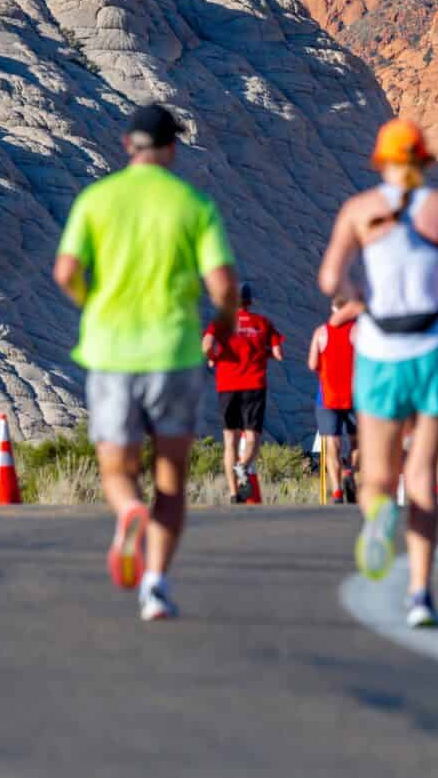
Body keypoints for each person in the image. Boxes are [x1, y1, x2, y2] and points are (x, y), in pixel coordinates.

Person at [52, 104, 239, 623]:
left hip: (112, 353)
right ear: (172, 147)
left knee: (118, 470)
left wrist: (94, 304)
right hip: (174, 353)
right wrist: (222, 327)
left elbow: (65, 271)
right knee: (171, 478)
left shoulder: (97, 199)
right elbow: (223, 287)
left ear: (126, 144)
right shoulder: (193, 205)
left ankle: (128, 512)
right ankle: (155, 586)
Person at [318, 117, 438, 629]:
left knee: (378, 472)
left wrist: (362, 297)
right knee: (423, 473)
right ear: (426, 161)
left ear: (383, 161)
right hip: (433, 347)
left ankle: (377, 515)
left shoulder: (360, 211)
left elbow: (330, 278)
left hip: (377, 349)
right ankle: (419, 593)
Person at [204, 282, 283, 503]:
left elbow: (206, 345)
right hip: (254, 385)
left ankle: (232, 493)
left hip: (227, 386)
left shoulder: (221, 323)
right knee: (253, 438)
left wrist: (214, 357)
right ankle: (243, 466)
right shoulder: (262, 323)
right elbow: (278, 354)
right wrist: (261, 353)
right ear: (250, 301)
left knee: (230, 441)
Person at [309, 294, 363, 503]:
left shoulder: (321, 333)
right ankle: (350, 472)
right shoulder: (358, 333)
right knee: (356, 442)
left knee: (332, 443)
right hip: (354, 396)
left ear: (333, 308)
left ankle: (337, 490)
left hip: (327, 396)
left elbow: (313, 364)